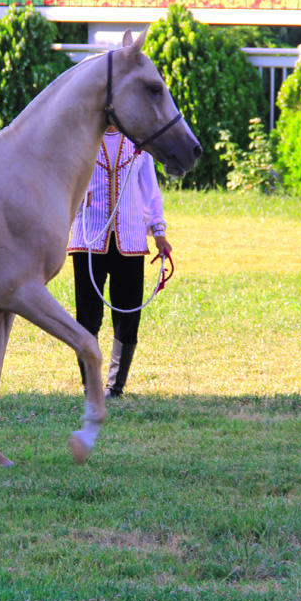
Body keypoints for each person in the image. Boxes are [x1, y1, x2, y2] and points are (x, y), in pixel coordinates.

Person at [68, 125, 172, 398]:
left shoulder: (139, 142)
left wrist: (159, 232)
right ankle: (90, 384)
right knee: (87, 316)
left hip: (131, 239)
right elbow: (64, 181)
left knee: (128, 315)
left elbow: (150, 191)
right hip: (89, 238)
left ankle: (115, 386)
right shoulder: (82, 138)